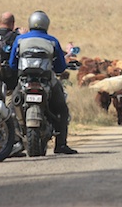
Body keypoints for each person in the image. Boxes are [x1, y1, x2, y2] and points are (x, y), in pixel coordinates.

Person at [9, 10, 78, 155]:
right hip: (47, 82)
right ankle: (61, 144)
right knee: (62, 110)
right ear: (46, 24)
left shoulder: (20, 40)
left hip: (24, 82)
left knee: (12, 107)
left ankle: (15, 142)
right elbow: (60, 67)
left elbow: (12, 64)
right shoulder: (52, 41)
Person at [0, 11, 28, 157]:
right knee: (12, 111)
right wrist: (24, 35)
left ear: (0, 22)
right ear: (13, 24)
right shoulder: (16, 37)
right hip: (11, 82)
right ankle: (15, 142)